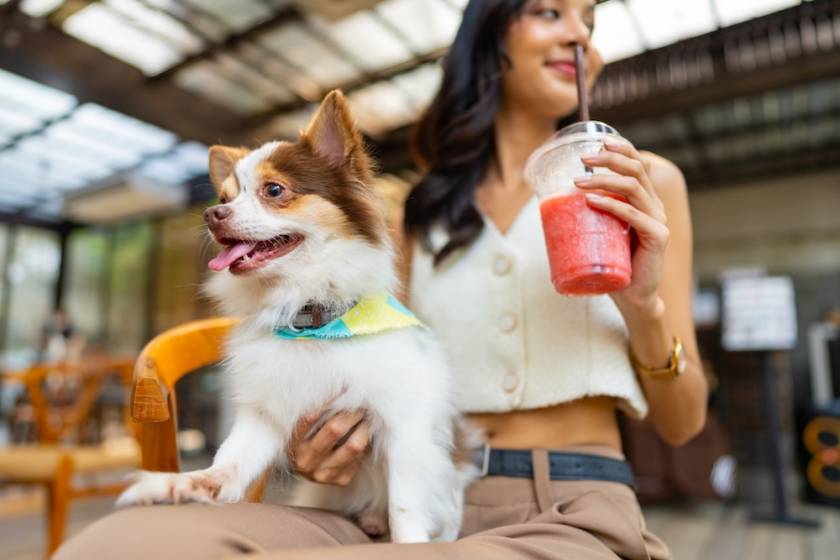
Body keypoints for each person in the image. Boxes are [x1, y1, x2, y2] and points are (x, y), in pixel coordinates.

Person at [56, 1, 707, 558]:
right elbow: (369, 368)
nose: (580, 35)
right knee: (124, 543)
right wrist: (316, 445)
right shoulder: (419, 214)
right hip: (402, 492)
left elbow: (683, 425)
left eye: (590, 20)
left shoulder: (636, 185)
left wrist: (642, 304)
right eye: (549, 10)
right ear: (490, 35)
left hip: (569, 501)